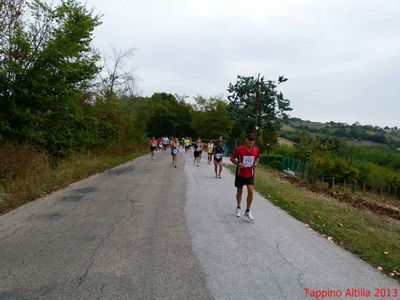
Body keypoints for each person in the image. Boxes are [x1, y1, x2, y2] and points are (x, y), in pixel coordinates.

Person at [230, 133, 260, 220]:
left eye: (252, 140)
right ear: (246, 140)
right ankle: (238, 207)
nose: (251, 141)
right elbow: (232, 158)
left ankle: (247, 210)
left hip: (250, 173)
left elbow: (257, 158)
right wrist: (239, 164)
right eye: (249, 139)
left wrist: (256, 163)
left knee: (251, 191)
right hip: (240, 173)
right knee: (240, 191)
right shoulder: (239, 149)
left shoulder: (256, 150)